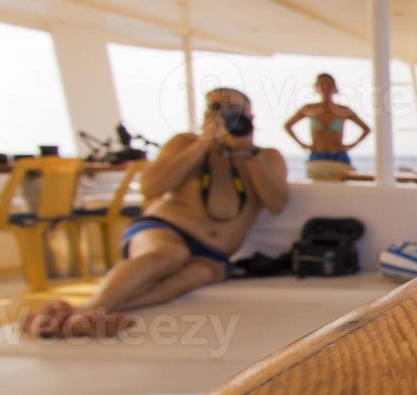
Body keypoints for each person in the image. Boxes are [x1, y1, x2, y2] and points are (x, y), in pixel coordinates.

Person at [23, 88, 288, 338]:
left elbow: (276, 203)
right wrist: (203, 145)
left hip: (213, 255)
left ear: (250, 117)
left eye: (233, 111)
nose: (223, 116)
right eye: (215, 108)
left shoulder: (266, 156)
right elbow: (152, 186)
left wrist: (247, 154)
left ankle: (87, 313)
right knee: (170, 254)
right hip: (164, 229)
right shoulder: (184, 143)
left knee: (201, 274)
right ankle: (90, 310)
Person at [284, 73, 370, 181]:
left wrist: (352, 145)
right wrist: (301, 144)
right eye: (322, 83)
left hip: (339, 157)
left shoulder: (343, 110)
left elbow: (366, 129)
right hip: (317, 156)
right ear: (316, 87)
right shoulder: (309, 108)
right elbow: (287, 125)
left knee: (341, 194)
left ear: (334, 87)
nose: (325, 86)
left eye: (329, 83)